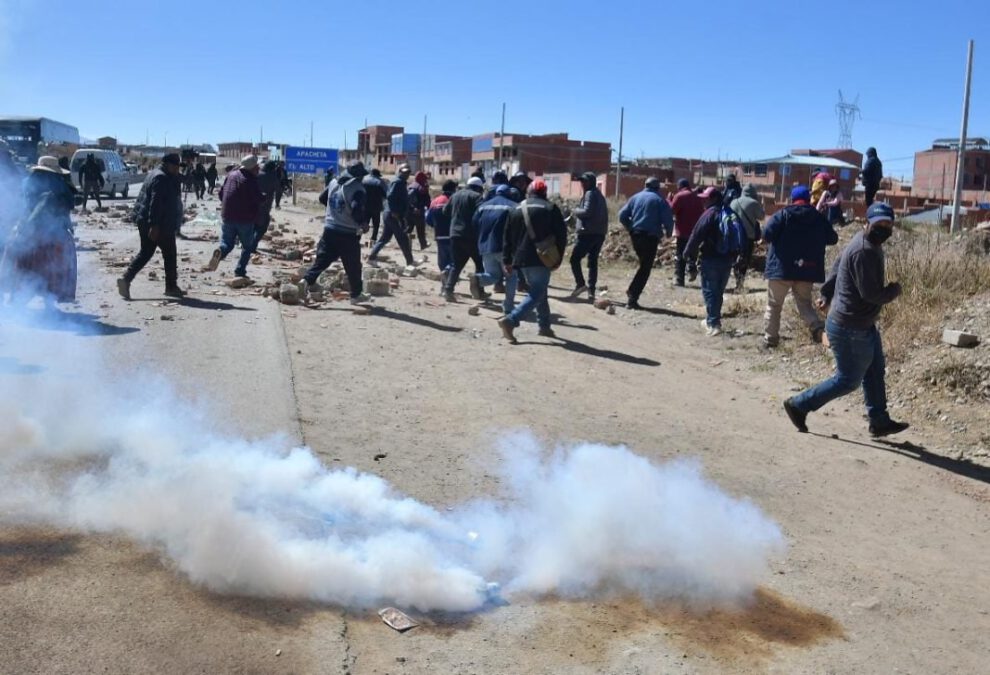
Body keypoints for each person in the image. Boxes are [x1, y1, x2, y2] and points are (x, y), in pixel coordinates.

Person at [783, 202, 909, 438]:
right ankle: (799, 404)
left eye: (888, 224)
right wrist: (894, 290)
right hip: (850, 327)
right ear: (867, 222)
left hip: (861, 324)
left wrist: (826, 292)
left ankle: (879, 421)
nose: (884, 227)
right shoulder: (865, 250)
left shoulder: (865, 242)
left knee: (874, 371)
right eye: (879, 223)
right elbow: (870, 294)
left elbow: (839, 265)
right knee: (848, 380)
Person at [761, 185, 839, 348]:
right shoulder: (818, 218)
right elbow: (832, 238)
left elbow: (767, 234)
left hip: (781, 270)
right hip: (807, 270)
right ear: (809, 199)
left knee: (774, 305)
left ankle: (770, 340)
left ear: (792, 199)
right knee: (804, 304)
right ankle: (818, 329)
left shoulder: (783, 214)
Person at [0, 156, 77, 305]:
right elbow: (70, 203)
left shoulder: (27, 182)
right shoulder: (59, 184)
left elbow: (19, 206)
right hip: (54, 234)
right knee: (54, 269)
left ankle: (16, 298)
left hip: (28, 232)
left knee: (22, 264)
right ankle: (50, 301)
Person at [497, 180, 567, 342]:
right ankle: (511, 320)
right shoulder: (550, 208)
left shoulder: (515, 209)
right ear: (545, 193)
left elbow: (506, 237)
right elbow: (561, 236)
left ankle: (544, 326)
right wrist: (558, 258)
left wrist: (507, 260)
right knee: (538, 290)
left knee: (539, 290)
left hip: (520, 259)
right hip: (542, 257)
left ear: (528, 192)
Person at [301, 161, 372, 305]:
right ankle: (356, 295)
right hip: (347, 233)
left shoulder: (334, 182)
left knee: (323, 260)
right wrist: (363, 224)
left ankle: (306, 280)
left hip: (329, 228)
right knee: (353, 266)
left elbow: (322, 198)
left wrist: (333, 212)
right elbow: (357, 210)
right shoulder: (357, 189)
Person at [116, 153, 185, 299]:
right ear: (168, 165)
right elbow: (156, 202)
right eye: (176, 166)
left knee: (146, 252)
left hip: (147, 220)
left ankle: (126, 279)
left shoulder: (156, 174)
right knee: (170, 253)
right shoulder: (161, 178)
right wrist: (154, 225)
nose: (178, 169)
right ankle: (171, 286)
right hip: (158, 223)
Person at [618, 177, 673, 309]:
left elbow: (622, 215)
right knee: (645, 268)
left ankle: (632, 291)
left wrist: (630, 227)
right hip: (650, 237)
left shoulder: (635, 197)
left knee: (643, 265)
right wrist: (669, 233)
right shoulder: (660, 200)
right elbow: (668, 220)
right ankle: (632, 297)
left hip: (636, 236)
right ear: (657, 187)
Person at [684, 188, 732, 336]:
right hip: (727, 259)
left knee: (710, 291)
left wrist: (687, 252)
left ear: (713, 199)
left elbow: (696, 235)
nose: (703, 201)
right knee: (718, 291)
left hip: (711, 258)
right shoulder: (729, 213)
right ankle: (713, 319)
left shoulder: (709, 214)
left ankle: (713, 324)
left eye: (706, 198)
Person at [207, 155, 263, 278]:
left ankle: (220, 252)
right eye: (257, 166)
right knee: (247, 246)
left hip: (227, 215)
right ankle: (240, 270)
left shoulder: (231, 175)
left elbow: (222, 194)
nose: (258, 168)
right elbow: (257, 199)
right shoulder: (250, 179)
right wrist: (264, 197)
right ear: (252, 167)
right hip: (245, 219)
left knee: (227, 242)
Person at [469, 183, 518, 314]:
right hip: (505, 248)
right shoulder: (513, 206)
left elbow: (474, 223)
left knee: (493, 275)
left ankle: (478, 278)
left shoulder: (483, 206)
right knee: (511, 276)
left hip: (485, 246)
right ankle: (508, 307)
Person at [441, 176, 485, 301]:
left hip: (454, 234)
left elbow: (445, 211)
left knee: (457, 264)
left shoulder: (455, 195)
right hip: (470, 235)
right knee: (479, 264)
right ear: (478, 187)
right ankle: (479, 291)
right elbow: (481, 213)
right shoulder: (476, 197)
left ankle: (448, 290)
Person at [568, 171, 608, 300]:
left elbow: (587, 212)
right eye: (581, 181)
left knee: (574, 259)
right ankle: (591, 291)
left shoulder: (590, 194)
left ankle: (580, 284)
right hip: (599, 234)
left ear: (590, 182)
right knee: (592, 262)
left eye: (584, 181)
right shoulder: (599, 195)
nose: (582, 184)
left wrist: (575, 211)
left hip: (588, 234)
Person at [368, 164, 415, 267]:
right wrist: (394, 211)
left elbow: (402, 199)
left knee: (385, 237)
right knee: (403, 238)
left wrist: (409, 208)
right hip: (393, 214)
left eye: (408, 172)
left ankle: (371, 257)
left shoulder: (401, 182)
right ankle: (410, 261)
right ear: (400, 172)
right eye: (404, 172)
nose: (406, 174)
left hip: (391, 214)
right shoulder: (397, 182)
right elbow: (390, 196)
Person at [729, 183, 766, 293]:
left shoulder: (734, 202)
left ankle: (736, 280)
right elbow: (761, 216)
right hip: (748, 237)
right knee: (744, 259)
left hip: (734, 237)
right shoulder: (754, 203)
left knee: (735, 258)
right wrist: (761, 205)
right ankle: (740, 284)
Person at [669, 178, 705, 286]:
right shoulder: (698, 197)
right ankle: (692, 270)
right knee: (692, 253)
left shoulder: (680, 196)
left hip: (682, 230)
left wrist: (669, 200)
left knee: (680, 254)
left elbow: (672, 210)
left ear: (680, 186)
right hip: (695, 231)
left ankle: (679, 279)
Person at [426, 180, 457, 277]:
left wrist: (435, 225)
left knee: (442, 261)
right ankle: (448, 275)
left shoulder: (435, 201)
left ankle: (445, 277)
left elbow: (428, 219)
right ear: (454, 189)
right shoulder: (455, 200)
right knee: (454, 260)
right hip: (453, 235)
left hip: (439, 236)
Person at [254, 160, 280, 252]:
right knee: (262, 226)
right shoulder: (273, 177)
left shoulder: (257, 175)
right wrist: (277, 203)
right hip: (265, 206)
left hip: (252, 204)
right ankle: (252, 244)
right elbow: (278, 191)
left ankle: (245, 243)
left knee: (252, 225)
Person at [362, 168, 387, 243]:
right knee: (376, 224)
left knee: (364, 222)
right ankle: (374, 238)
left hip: (365, 205)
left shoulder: (364, 180)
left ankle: (358, 236)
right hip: (376, 206)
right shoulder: (380, 182)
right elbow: (386, 194)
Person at [407, 171, 431, 250]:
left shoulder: (410, 186)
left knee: (408, 228)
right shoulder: (421, 187)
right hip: (418, 211)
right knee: (420, 229)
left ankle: (404, 243)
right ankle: (423, 244)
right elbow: (426, 200)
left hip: (409, 211)